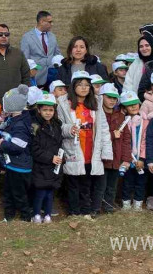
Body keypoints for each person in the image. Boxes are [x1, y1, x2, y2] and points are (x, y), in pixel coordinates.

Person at [56, 72, 111, 219]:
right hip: (73, 149)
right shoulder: (64, 104)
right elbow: (59, 126)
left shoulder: (95, 104)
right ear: (73, 86)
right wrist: (69, 129)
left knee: (86, 184)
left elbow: (103, 128)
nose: (84, 88)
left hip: (90, 151)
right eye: (80, 84)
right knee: (73, 184)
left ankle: (86, 212)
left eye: (87, 85)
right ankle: (74, 212)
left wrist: (106, 151)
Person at [0, 85, 34, 222]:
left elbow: (18, 146)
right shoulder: (13, 120)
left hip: (19, 166)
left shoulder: (21, 124)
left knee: (18, 193)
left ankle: (25, 217)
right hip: (12, 164)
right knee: (8, 192)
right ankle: (9, 215)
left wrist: (3, 145)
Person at [29, 93, 62, 223]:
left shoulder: (56, 125)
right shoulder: (35, 126)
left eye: (51, 110)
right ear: (39, 110)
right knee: (40, 191)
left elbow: (59, 143)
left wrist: (59, 157)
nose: (48, 113)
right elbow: (34, 148)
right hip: (41, 166)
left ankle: (47, 215)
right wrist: (50, 158)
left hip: (54, 164)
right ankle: (37, 214)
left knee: (50, 192)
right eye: (45, 110)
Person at [99, 84, 124, 213]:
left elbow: (126, 139)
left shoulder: (120, 116)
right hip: (102, 157)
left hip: (116, 157)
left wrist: (125, 158)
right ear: (101, 97)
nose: (112, 100)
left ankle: (108, 205)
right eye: (109, 97)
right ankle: (98, 205)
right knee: (101, 184)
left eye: (114, 98)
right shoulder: (97, 115)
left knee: (112, 184)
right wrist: (112, 135)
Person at [20, 11, 61, 86]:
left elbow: (57, 54)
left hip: (53, 79)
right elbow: (25, 59)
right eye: (50, 22)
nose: (52, 24)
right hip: (36, 79)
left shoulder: (52, 36)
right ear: (42, 21)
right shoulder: (27, 37)